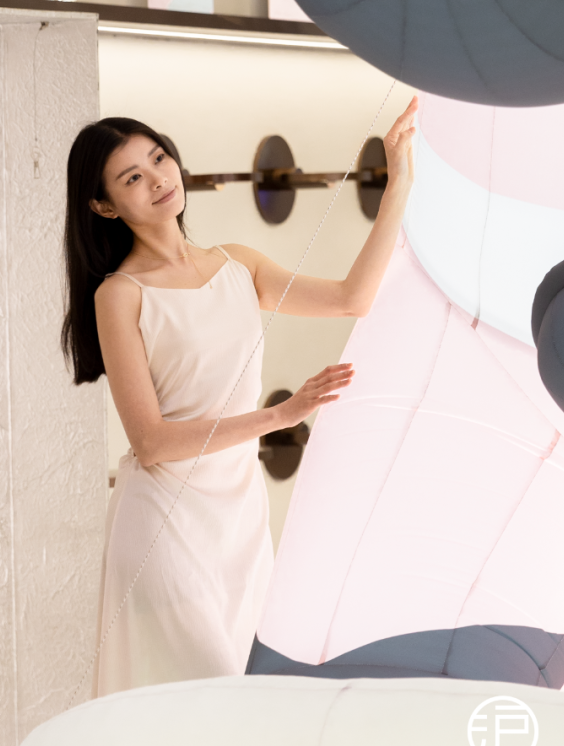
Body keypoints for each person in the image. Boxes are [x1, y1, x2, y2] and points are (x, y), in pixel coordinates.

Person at [61, 99, 418, 695]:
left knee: (248, 703)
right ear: (104, 206)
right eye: (132, 178)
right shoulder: (120, 295)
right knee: (213, 698)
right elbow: (151, 443)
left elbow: (352, 298)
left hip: (241, 525)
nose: (158, 179)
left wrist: (398, 183)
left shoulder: (238, 265)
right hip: (165, 531)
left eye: (158, 158)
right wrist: (280, 415)